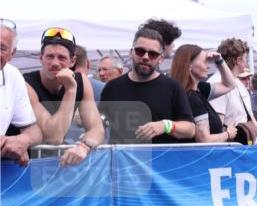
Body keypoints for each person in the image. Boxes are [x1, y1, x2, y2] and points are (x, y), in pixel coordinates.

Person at [18, 28, 104, 166]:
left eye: (62, 58)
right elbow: (53, 137)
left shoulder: (82, 81)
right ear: (41, 58)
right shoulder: (26, 84)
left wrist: (84, 147)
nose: (55, 63)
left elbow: (97, 129)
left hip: (59, 166)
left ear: (72, 61)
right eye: (49, 56)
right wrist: (70, 90)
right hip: (24, 165)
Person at [99, 28, 196, 143]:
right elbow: (101, 122)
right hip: (123, 158)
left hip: (159, 159)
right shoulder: (112, 87)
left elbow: (190, 129)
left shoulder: (173, 87)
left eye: (153, 54)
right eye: (140, 51)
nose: (145, 57)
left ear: (161, 59)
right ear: (131, 53)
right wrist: (87, 119)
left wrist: (166, 125)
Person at [170, 44, 239, 143]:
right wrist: (228, 134)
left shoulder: (199, 89)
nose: (208, 66)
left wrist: (219, 60)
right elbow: (204, 140)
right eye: (204, 61)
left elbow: (230, 85)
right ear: (189, 66)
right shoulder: (191, 98)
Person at [1, 20, 42, 164]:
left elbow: (35, 131)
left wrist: (21, 141)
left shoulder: (13, 76)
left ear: (12, 53)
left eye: (1, 47)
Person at [210, 38, 257, 134]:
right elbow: (217, 127)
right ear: (238, 60)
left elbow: (253, 122)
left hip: (243, 145)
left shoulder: (238, 84)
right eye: (245, 58)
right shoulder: (216, 84)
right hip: (230, 147)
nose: (247, 62)